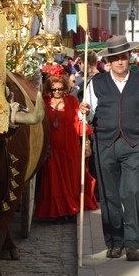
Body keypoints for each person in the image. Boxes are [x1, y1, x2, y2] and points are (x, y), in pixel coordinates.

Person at [80, 35, 139, 261]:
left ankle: (133, 243)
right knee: (109, 195)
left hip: (134, 143)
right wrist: (83, 111)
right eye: (115, 58)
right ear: (109, 61)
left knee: (132, 192)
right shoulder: (96, 83)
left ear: (129, 58)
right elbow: (87, 116)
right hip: (105, 143)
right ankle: (115, 241)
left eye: (123, 57)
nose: (120, 62)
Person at [35, 68, 98, 222]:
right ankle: (57, 213)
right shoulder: (44, 102)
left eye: (60, 89)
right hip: (51, 150)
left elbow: (80, 123)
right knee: (54, 183)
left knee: (71, 180)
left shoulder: (72, 101)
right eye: (53, 89)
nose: (57, 92)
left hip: (70, 149)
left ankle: (70, 210)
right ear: (49, 88)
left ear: (65, 87)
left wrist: (86, 142)